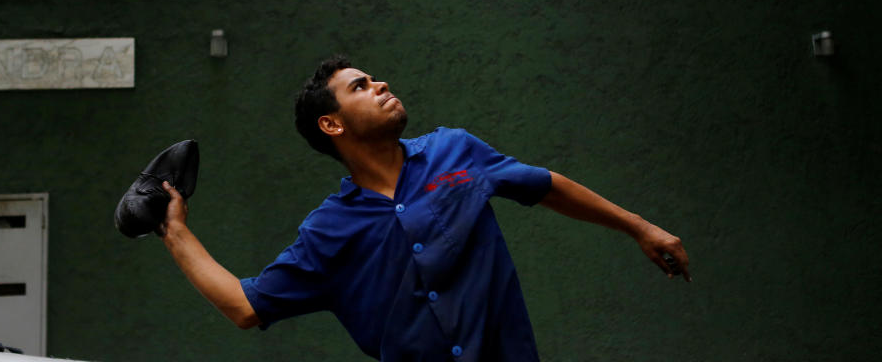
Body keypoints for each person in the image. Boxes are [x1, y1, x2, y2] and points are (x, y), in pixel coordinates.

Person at [158, 55, 691, 362]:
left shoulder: (454, 150)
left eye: (374, 78)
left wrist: (638, 227)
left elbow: (545, 185)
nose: (381, 84)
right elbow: (244, 306)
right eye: (360, 86)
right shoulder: (328, 230)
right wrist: (173, 228)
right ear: (332, 124)